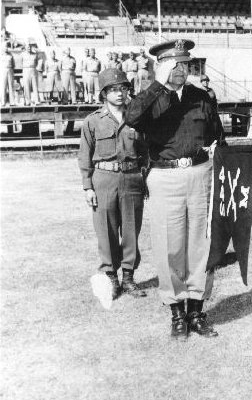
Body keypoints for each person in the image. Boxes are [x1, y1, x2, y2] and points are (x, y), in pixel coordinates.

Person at [125, 39, 226, 340]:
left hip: (199, 173)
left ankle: (196, 310)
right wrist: (159, 86)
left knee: (201, 243)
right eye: (174, 65)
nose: (181, 70)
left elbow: (216, 133)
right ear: (161, 67)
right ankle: (177, 313)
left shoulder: (201, 97)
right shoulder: (149, 97)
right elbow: (132, 117)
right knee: (170, 245)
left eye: (185, 65)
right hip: (165, 176)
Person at [78, 69, 148, 301]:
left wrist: (145, 178)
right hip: (104, 180)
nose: (120, 93)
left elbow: (146, 152)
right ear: (104, 93)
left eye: (123, 88)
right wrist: (88, 186)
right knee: (106, 231)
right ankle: (111, 278)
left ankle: (128, 277)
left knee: (130, 230)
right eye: (114, 90)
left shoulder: (137, 118)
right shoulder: (93, 121)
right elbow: (85, 155)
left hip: (131, 179)